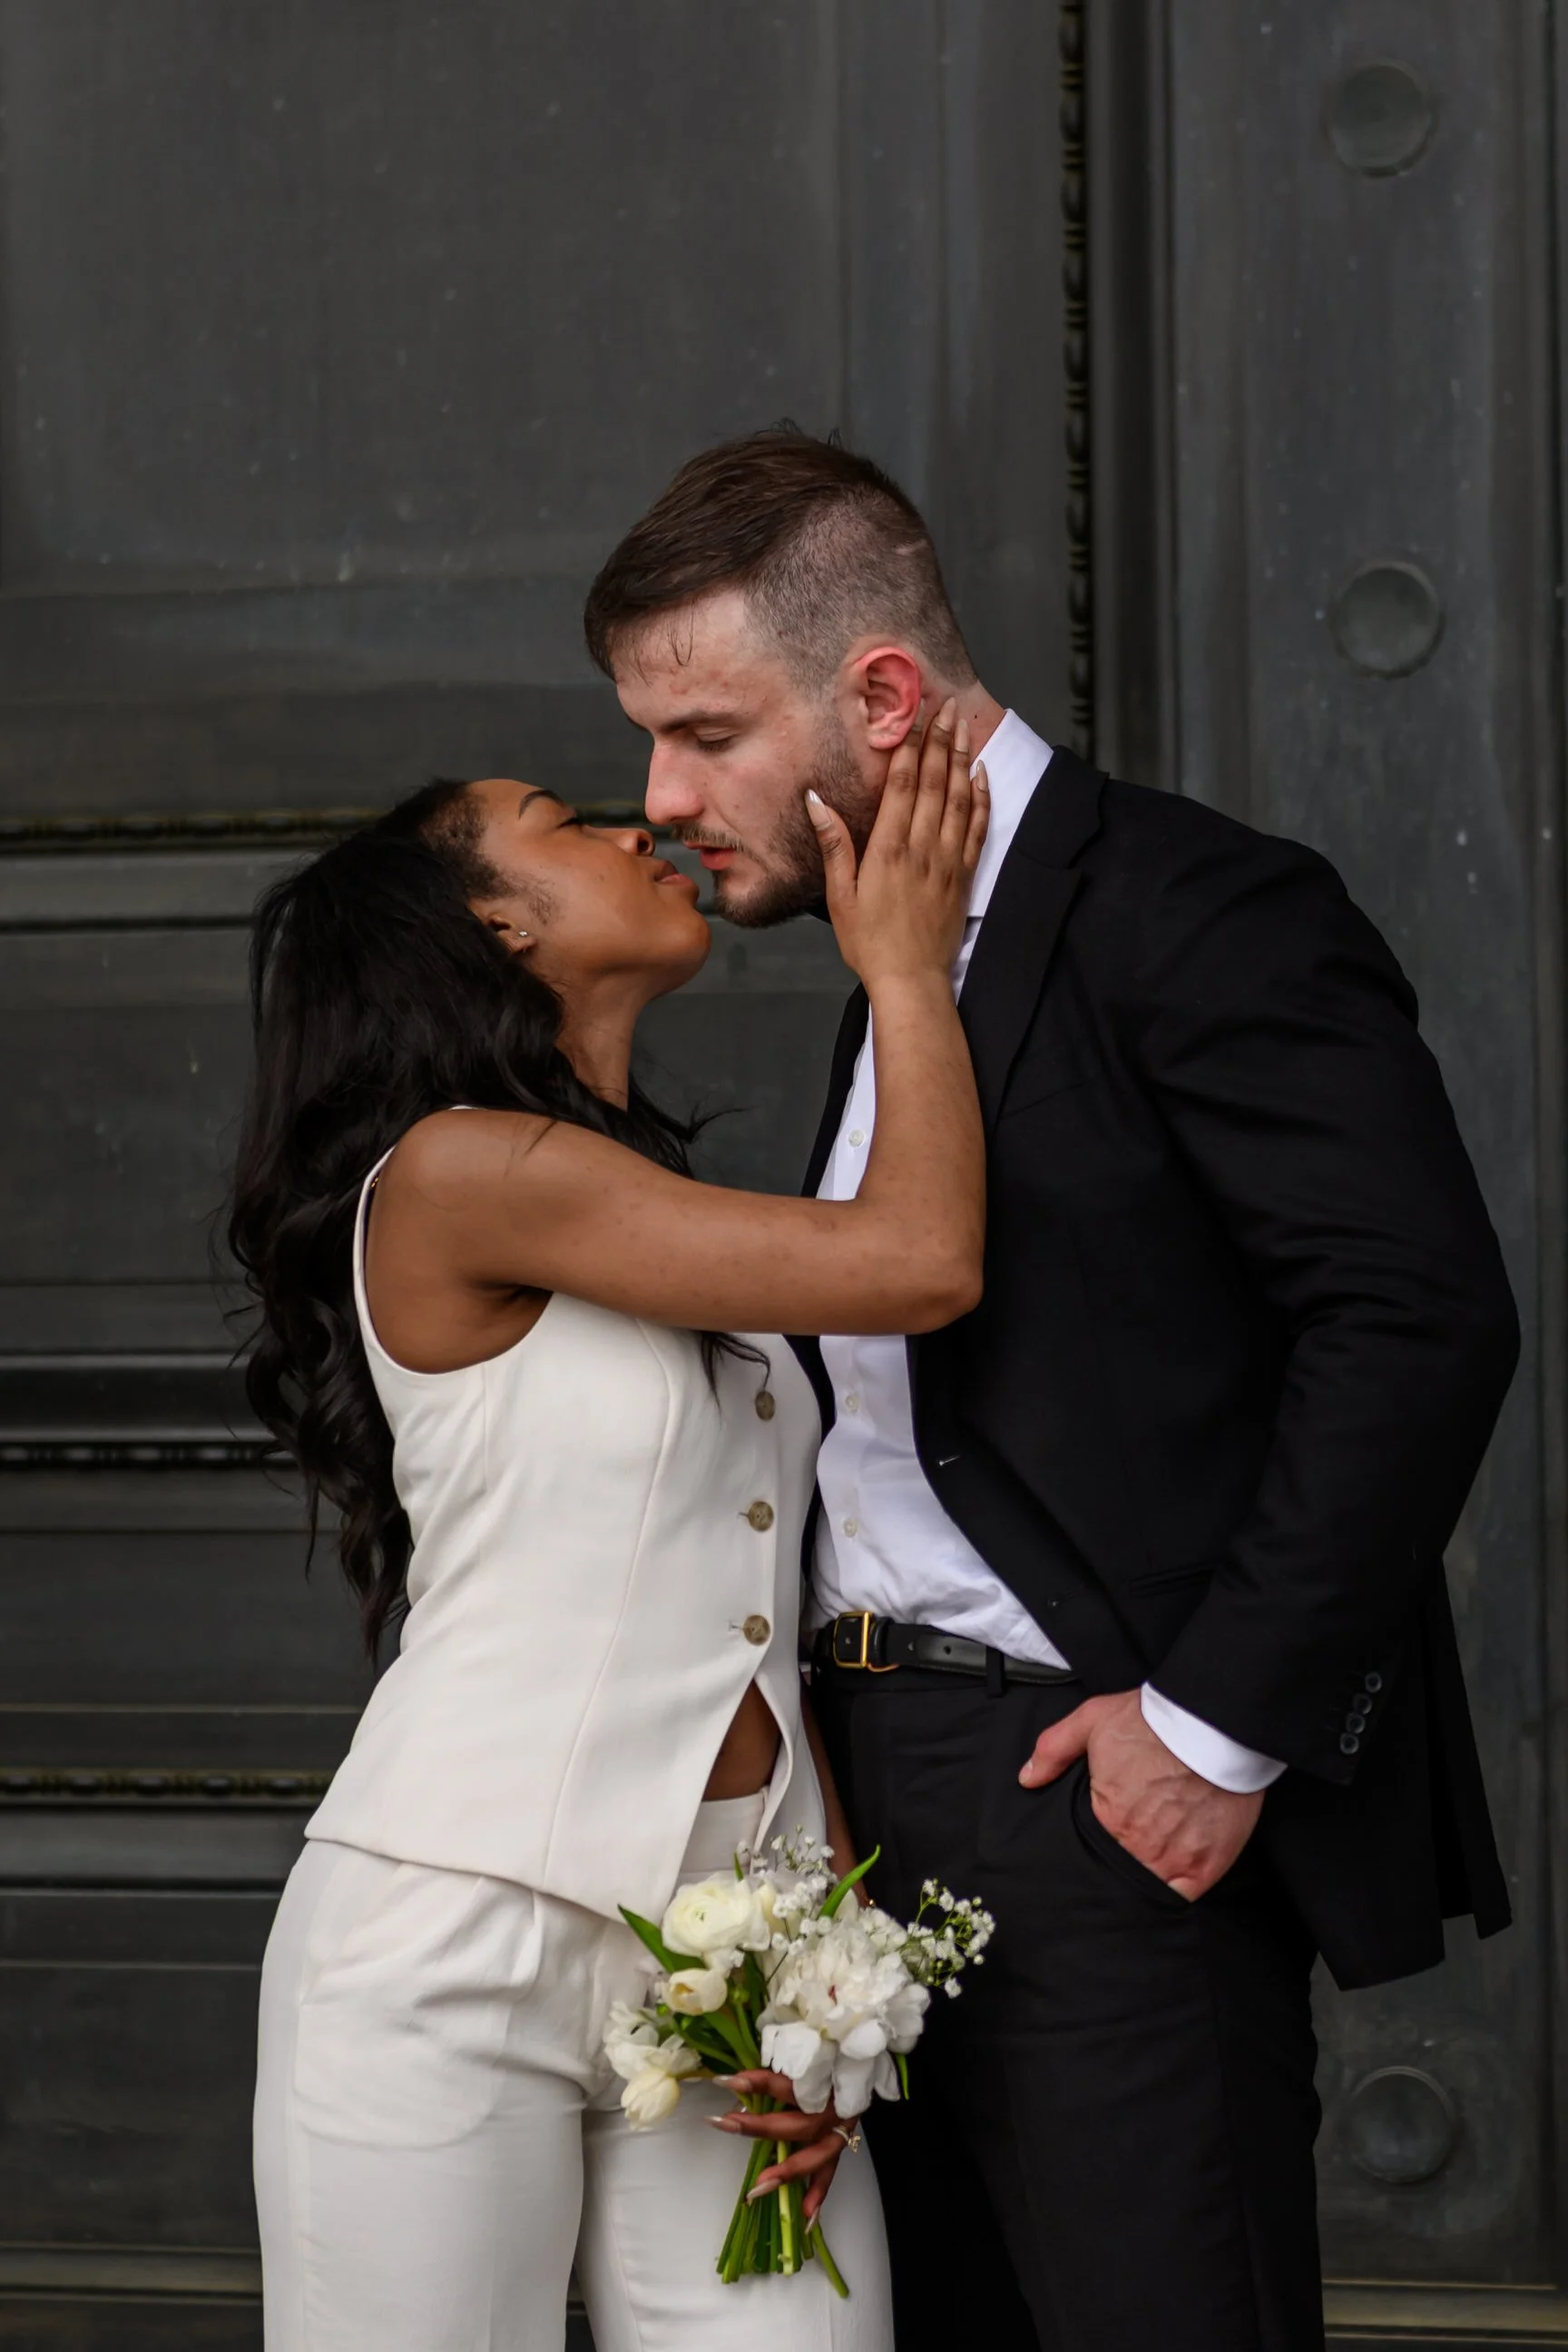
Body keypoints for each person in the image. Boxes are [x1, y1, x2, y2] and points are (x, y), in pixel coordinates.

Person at [583, 426, 1523, 2352]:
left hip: (1099, 1808)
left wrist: (1210, 1727)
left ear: (884, 694)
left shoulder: (1196, 906)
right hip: (858, 1829)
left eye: (701, 731)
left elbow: (1418, 1316)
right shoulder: (891, 957)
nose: (661, 796)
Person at [230, 704, 989, 2349]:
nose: (639, 827)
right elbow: (923, 1258)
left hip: (729, 1961)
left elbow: (754, 1616)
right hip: (449, 1944)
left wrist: (828, 1973)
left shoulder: (650, 1215)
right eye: (564, 821)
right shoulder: (459, 1172)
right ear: (491, 922)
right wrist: (910, 975)